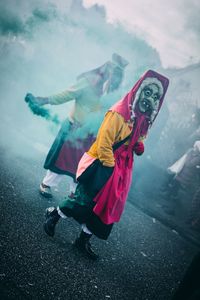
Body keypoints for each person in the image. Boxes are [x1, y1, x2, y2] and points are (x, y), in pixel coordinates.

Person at [43, 70, 169, 260]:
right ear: (139, 90)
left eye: (155, 96)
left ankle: (82, 240)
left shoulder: (142, 118)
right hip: (104, 163)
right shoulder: (119, 113)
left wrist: (138, 145)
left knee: (105, 207)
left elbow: (135, 140)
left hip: (122, 169)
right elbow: (103, 142)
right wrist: (110, 167)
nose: (150, 99)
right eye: (148, 92)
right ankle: (54, 217)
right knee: (84, 199)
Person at [25, 53, 129, 198]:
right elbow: (66, 94)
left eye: (118, 74)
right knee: (60, 160)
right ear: (106, 69)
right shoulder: (88, 82)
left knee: (83, 165)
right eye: (113, 72)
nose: (114, 78)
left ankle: (74, 193)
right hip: (73, 128)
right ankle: (46, 184)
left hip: (92, 135)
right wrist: (44, 100)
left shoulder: (115, 94)